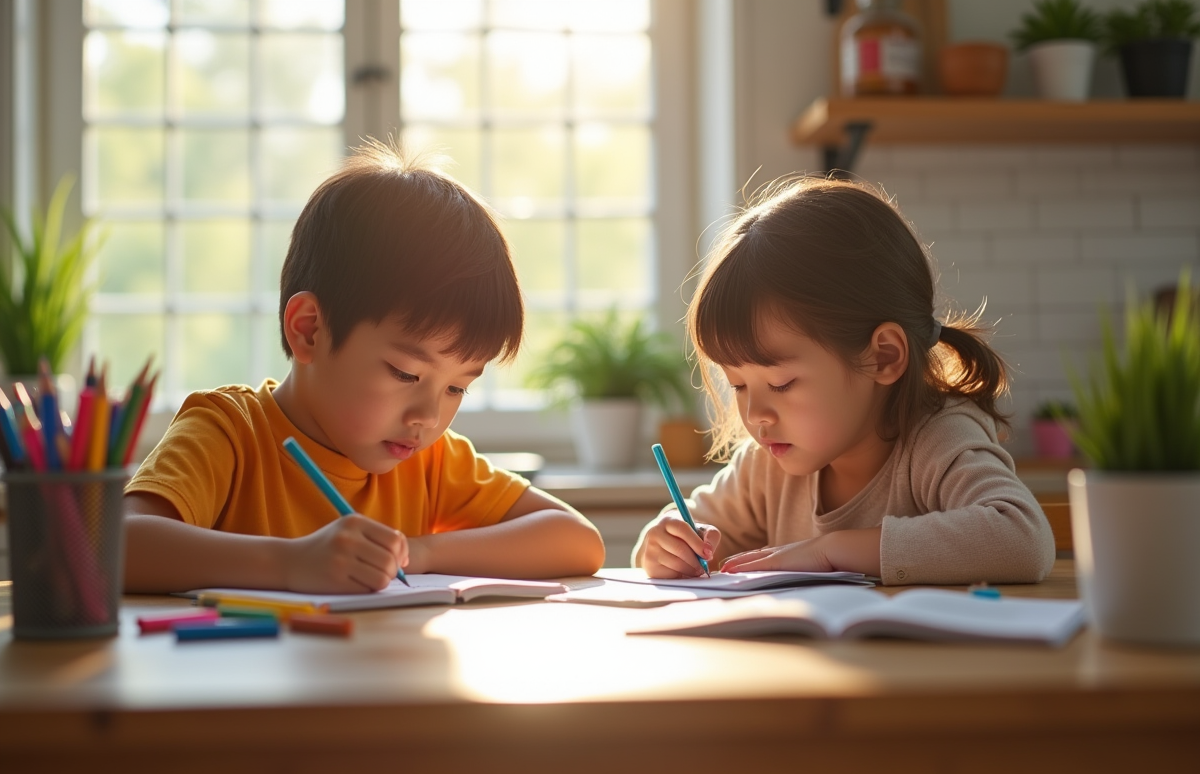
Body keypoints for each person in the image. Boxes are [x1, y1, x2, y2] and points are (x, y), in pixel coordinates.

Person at [124, 141, 605, 593]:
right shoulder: (229, 431)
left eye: (457, 388)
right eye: (405, 373)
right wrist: (291, 564)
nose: (429, 417)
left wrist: (420, 551)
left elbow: (577, 540)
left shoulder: (429, 462)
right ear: (309, 330)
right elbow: (115, 545)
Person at [634, 177, 1053, 585]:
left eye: (781, 384)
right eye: (739, 386)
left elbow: (1021, 538)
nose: (754, 415)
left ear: (883, 357)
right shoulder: (766, 466)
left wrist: (830, 551)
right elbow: (675, 538)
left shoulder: (937, 439)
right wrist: (665, 546)